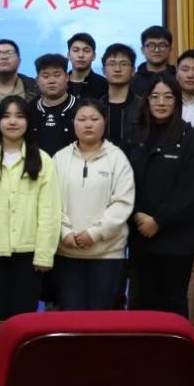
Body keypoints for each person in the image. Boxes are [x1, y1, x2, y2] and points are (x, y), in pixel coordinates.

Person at [126, 75, 194, 317]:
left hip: (176, 240)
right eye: (155, 97)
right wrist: (137, 214)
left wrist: (159, 221)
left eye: (168, 97)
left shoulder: (192, 139)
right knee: (140, 305)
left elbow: (192, 190)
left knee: (172, 305)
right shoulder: (134, 135)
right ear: (146, 100)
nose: (161, 102)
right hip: (140, 236)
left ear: (177, 101)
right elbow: (123, 181)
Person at [0, 96, 60, 320]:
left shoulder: (42, 160)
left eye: (19, 116)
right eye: (6, 116)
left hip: (29, 255)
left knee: (24, 319)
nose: (12, 122)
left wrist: (44, 254)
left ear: (28, 121)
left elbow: (49, 210)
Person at [53, 100, 136, 311]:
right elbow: (50, 202)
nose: (88, 124)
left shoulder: (117, 158)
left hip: (107, 255)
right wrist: (64, 233)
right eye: (82, 119)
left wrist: (95, 233)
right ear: (73, 123)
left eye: (94, 119)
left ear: (104, 122)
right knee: (71, 318)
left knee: (102, 319)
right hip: (67, 253)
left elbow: (123, 203)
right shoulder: (60, 158)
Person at [31, 54, 78, 156]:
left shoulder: (81, 108)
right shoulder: (29, 109)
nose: (51, 81)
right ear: (37, 80)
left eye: (57, 75)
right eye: (46, 76)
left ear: (67, 77)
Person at [101, 43, 142, 148]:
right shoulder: (96, 107)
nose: (117, 69)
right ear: (103, 71)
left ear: (133, 71)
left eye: (124, 64)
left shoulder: (143, 107)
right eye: (112, 64)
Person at [132, 25, 174, 96]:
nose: (157, 50)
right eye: (151, 46)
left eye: (162, 45)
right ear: (143, 50)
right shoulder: (132, 81)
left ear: (170, 49)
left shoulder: (178, 78)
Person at [66, 33, 107, 100]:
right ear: (68, 55)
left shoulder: (104, 84)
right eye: (76, 50)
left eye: (86, 51)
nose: (81, 55)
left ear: (94, 56)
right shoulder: (60, 83)